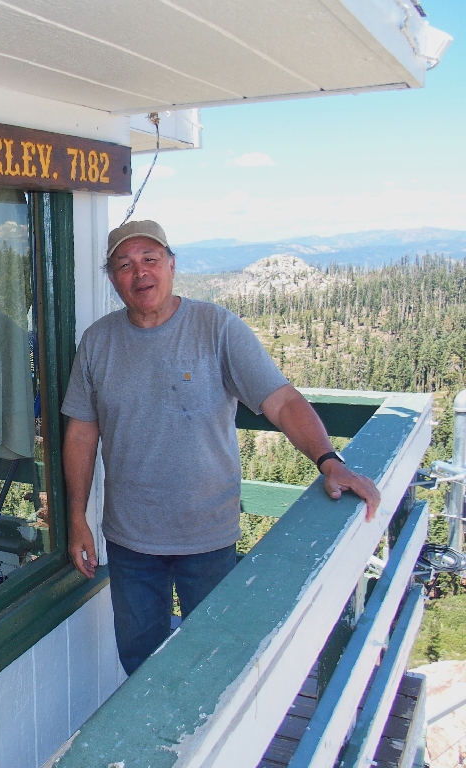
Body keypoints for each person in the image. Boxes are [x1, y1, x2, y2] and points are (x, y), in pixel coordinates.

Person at [60, 219, 380, 676]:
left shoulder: (216, 327)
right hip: (130, 540)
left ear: (171, 265)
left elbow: (282, 401)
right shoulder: (97, 342)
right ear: (111, 278)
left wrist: (329, 461)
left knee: (215, 661)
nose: (140, 273)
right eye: (124, 265)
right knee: (139, 662)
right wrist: (77, 518)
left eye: (150, 259)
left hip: (208, 536)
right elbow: (80, 434)